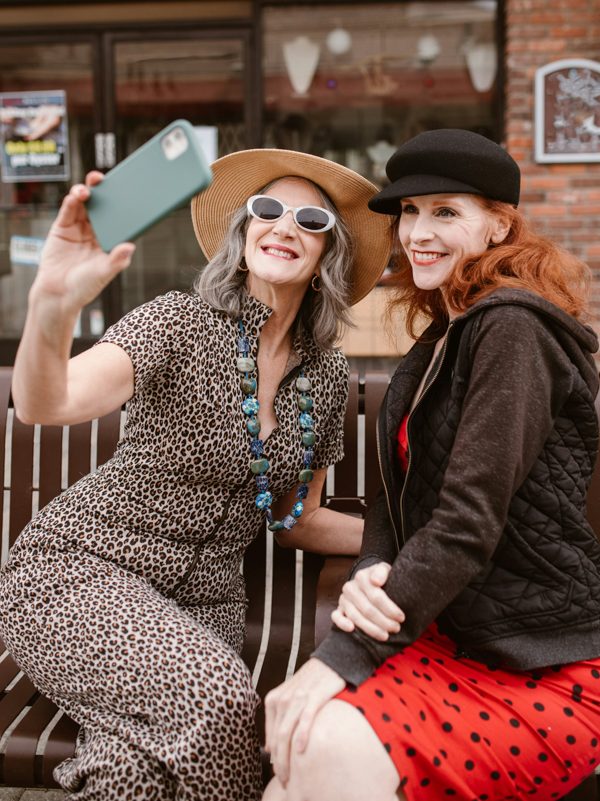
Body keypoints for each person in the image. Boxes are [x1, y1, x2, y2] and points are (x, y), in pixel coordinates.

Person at [0, 147, 391, 801]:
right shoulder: (176, 323)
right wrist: (51, 305)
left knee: (135, 770)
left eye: (310, 220)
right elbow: (48, 402)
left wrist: (404, 539)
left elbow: (295, 520)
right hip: (76, 573)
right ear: (243, 238)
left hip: (204, 608)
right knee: (223, 700)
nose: (284, 225)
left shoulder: (324, 377)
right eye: (267, 210)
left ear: (330, 253)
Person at [262, 129, 600, 801]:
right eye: (409, 212)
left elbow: (467, 520)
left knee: (318, 742)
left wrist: (341, 654)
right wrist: (370, 572)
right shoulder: (443, 338)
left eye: (446, 211)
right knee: (296, 753)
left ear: (499, 223)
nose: (418, 231)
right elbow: (395, 499)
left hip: (545, 660)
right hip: (452, 634)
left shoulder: (513, 330)